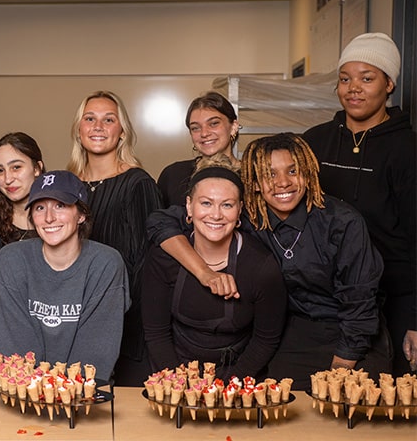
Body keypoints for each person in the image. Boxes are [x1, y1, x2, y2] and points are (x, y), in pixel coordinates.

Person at [147, 133, 389, 389]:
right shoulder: (246, 214)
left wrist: (340, 369)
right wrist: (204, 272)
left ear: (307, 173)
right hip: (294, 333)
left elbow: (360, 301)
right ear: (254, 183)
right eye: (270, 174)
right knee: (278, 411)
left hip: (352, 333)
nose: (282, 183)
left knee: (349, 412)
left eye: (293, 171)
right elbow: (161, 222)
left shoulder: (342, 222)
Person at [302, 32, 416, 374]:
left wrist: (414, 318)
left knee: (384, 405)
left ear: (389, 84)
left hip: (395, 297)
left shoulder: (407, 150)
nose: (354, 88)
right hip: (325, 297)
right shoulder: (314, 141)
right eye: (345, 79)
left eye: (367, 78)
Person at [142, 157, 286, 379]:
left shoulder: (261, 266)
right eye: (206, 203)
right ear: (189, 206)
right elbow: (156, 333)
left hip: (239, 374)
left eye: (227, 205)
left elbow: (266, 339)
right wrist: (178, 382)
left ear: (240, 210)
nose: (216, 215)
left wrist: (226, 386)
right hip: (174, 372)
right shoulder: (163, 258)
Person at [0, 170, 130, 378]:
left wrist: (59, 396)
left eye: (60, 206)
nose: (49, 218)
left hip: (81, 398)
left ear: (81, 215)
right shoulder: (12, 259)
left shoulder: (106, 264)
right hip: (21, 395)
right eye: (39, 208)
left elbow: (96, 354)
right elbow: (12, 348)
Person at [66, 90, 162, 386]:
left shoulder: (138, 183)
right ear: (79, 130)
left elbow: (148, 262)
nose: (98, 126)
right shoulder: (67, 185)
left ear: (122, 133)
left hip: (124, 322)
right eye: (90, 119)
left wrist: (113, 317)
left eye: (109, 120)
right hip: (71, 318)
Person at [157, 91, 241, 207]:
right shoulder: (173, 175)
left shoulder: (253, 177)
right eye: (195, 128)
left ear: (233, 127)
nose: (204, 133)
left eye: (213, 123)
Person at [0, 132, 45, 244]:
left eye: (16, 167)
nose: (8, 179)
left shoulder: (58, 215)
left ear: (37, 168)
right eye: (0, 171)